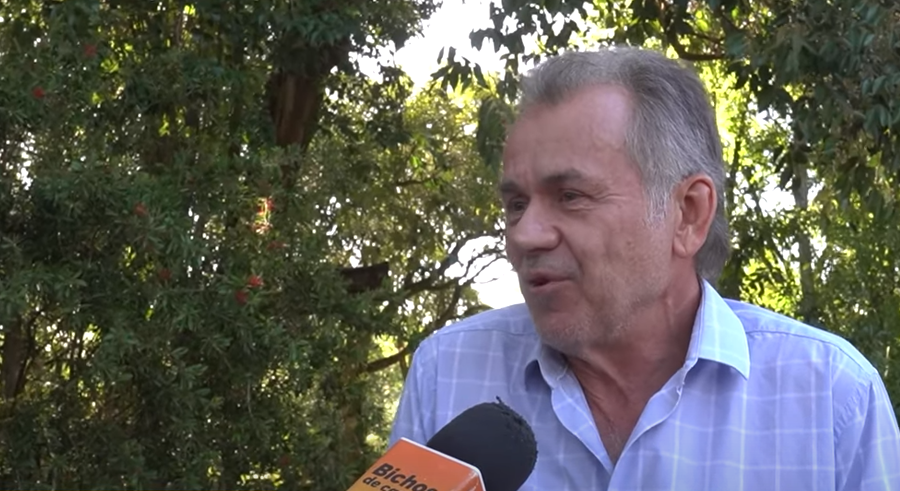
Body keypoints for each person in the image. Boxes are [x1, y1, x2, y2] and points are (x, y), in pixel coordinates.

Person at [388, 46, 900, 489]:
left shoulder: (833, 399)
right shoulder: (446, 374)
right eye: (516, 204)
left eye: (571, 196)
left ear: (688, 214)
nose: (525, 234)